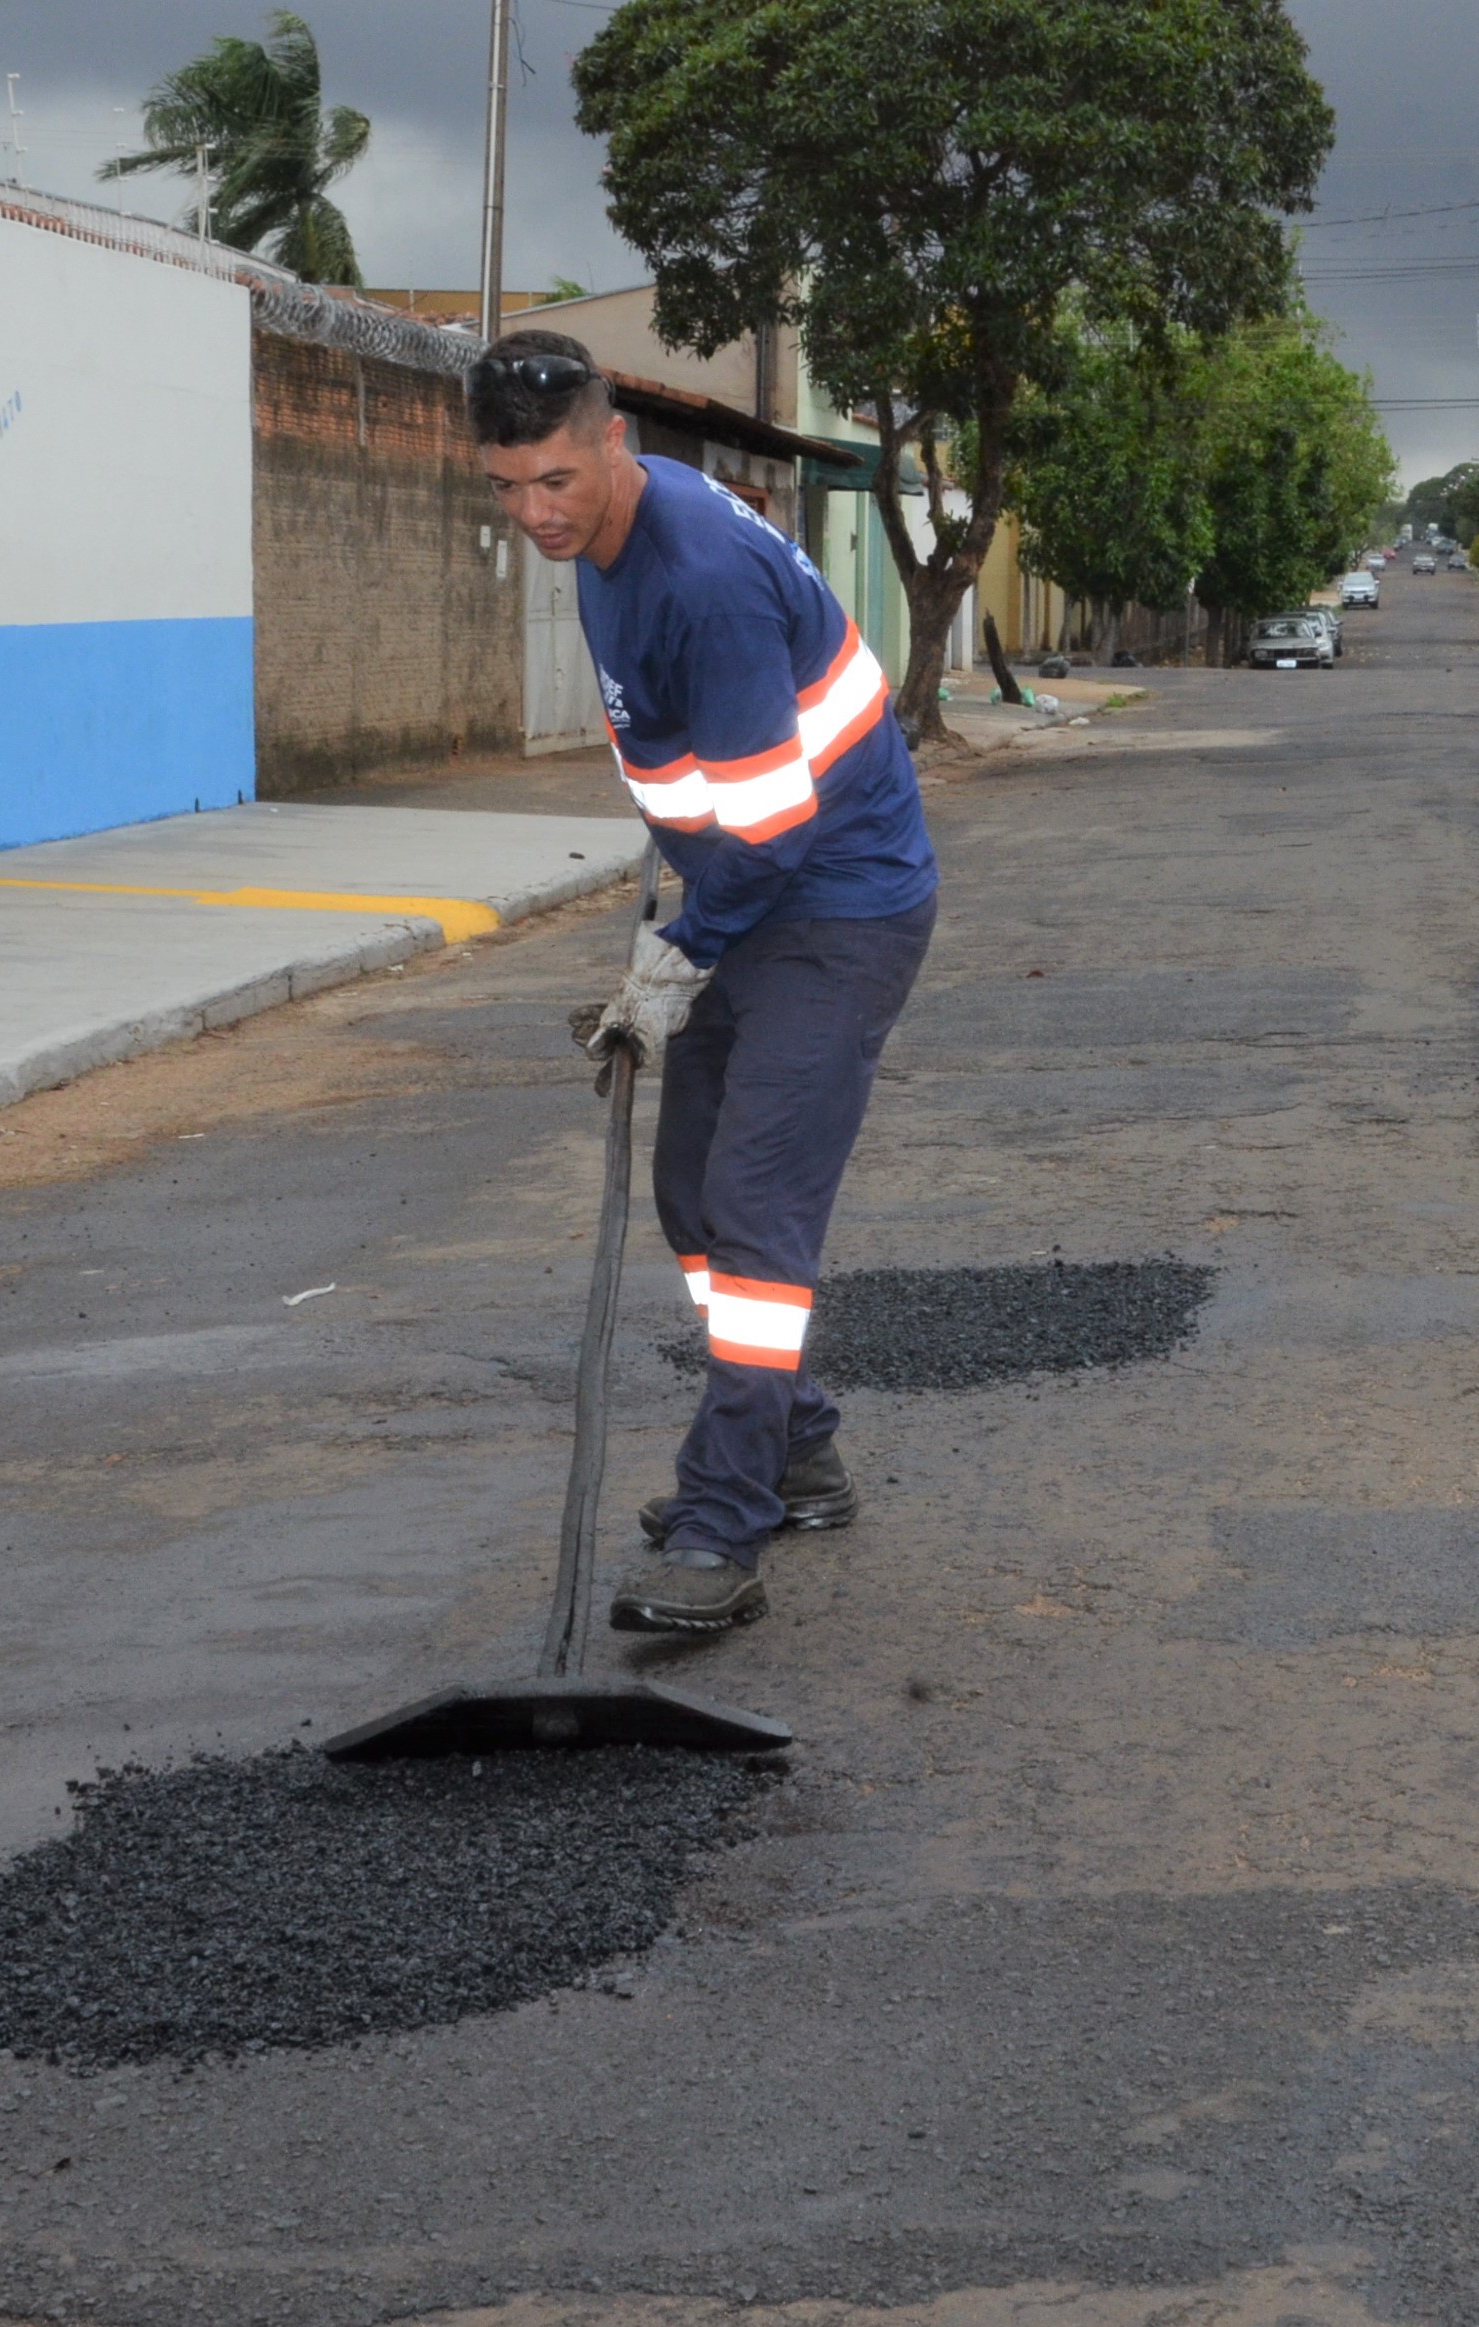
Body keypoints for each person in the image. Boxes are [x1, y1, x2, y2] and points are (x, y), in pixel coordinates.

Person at [467, 331, 938, 1637]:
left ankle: (724, 1524)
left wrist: (677, 953)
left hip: (835, 907)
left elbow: (773, 828)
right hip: (748, 898)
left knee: (752, 1210)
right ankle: (798, 1449)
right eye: (507, 487)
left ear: (613, 443)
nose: (534, 513)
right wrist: (684, 900)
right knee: (689, 1191)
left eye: (556, 480)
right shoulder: (601, 539)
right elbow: (694, 772)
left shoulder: (703, 582)